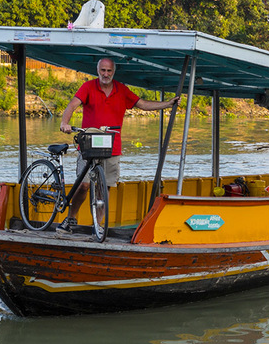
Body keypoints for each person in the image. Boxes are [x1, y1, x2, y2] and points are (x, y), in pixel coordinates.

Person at [57, 57, 179, 233]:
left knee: (104, 190)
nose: (105, 74)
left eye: (109, 71)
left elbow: (143, 104)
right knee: (83, 185)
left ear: (113, 72)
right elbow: (72, 105)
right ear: (97, 70)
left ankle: (97, 226)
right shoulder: (88, 87)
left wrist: (167, 104)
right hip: (89, 143)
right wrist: (64, 122)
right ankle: (70, 219)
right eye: (102, 70)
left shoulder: (121, 89)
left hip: (111, 146)